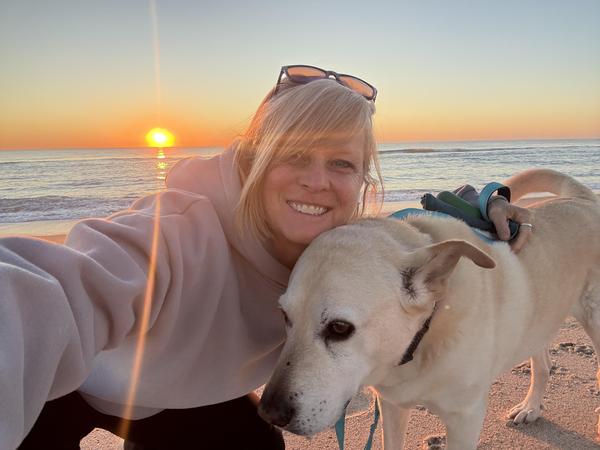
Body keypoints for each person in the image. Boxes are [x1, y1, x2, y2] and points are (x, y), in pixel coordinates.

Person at [0, 65, 532, 450]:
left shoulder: (341, 249)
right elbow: (51, 294)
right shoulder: (176, 234)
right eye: (293, 154)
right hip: (58, 390)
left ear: (361, 181)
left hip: (179, 401)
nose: (316, 181)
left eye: (342, 163)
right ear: (253, 158)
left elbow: (417, 226)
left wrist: (491, 201)